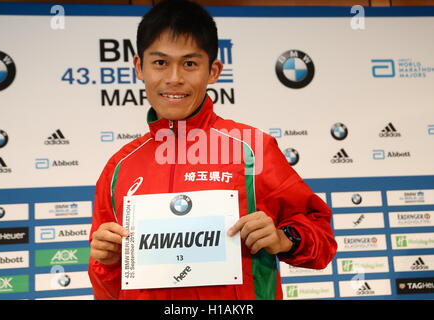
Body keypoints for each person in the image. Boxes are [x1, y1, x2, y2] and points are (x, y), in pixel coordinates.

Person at [88, 0, 337, 300]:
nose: (174, 78)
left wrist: (285, 239)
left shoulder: (252, 149)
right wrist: (107, 262)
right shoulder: (119, 168)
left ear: (214, 71)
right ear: (139, 67)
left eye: (190, 63)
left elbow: (321, 235)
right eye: (160, 62)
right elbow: (109, 291)